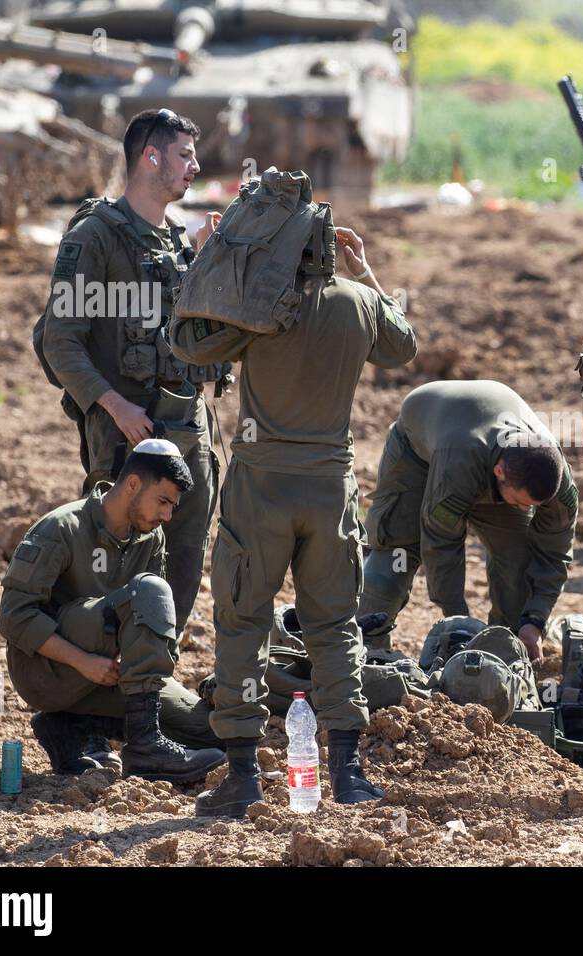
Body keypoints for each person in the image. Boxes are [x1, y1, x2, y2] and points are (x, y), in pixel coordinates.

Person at [169, 225, 417, 817]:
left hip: (261, 489)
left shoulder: (257, 305)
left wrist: (214, 260)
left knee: (244, 622)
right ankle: (349, 774)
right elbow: (402, 345)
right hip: (330, 488)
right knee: (335, 627)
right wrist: (364, 272)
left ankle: (244, 777)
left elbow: (185, 340)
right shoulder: (357, 304)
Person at [39, 108, 230, 640]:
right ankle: (96, 671)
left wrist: (206, 264)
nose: (196, 166)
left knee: (184, 552)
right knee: (115, 555)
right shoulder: (97, 235)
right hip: (130, 435)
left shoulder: (174, 238)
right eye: (184, 155)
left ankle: (153, 669)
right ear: (150, 157)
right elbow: (61, 339)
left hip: (188, 430)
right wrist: (113, 406)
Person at [0, 440, 225, 781]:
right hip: (46, 671)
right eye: (163, 501)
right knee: (148, 590)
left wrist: (144, 667)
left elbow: (150, 625)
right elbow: (14, 616)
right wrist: (82, 661)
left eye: (172, 506)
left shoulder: (151, 538)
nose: (167, 515)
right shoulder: (62, 527)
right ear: (133, 484)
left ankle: (68, 726)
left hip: (109, 672)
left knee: (206, 730)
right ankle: (145, 747)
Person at [357, 380, 578, 663]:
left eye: (534, 505)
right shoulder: (460, 462)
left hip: (491, 465)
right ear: (499, 472)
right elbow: (441, 543)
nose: (526, 509)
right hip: (419, 450)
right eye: (522, 502)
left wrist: (535, 620)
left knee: (517, 560)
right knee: (397, 550)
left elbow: (554, 555)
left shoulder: (555, 483)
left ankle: (506, 653)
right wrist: (459, 625)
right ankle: (366, 649)